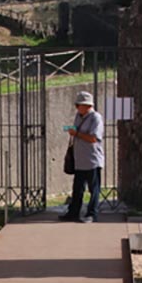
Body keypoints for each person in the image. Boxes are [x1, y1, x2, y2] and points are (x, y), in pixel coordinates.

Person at [59, 91, 104, 222]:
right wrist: (69, 129)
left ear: (87, 105)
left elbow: (94, 138)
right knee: (77, 189)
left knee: (93, 189)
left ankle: (92, 214)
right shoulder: (78, 117)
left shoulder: (96, 118)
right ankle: (73, 212)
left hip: (92, 160)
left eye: (79, 105)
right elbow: (76, 129)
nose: (77, 107)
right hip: (79, 160)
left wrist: (77, 133)